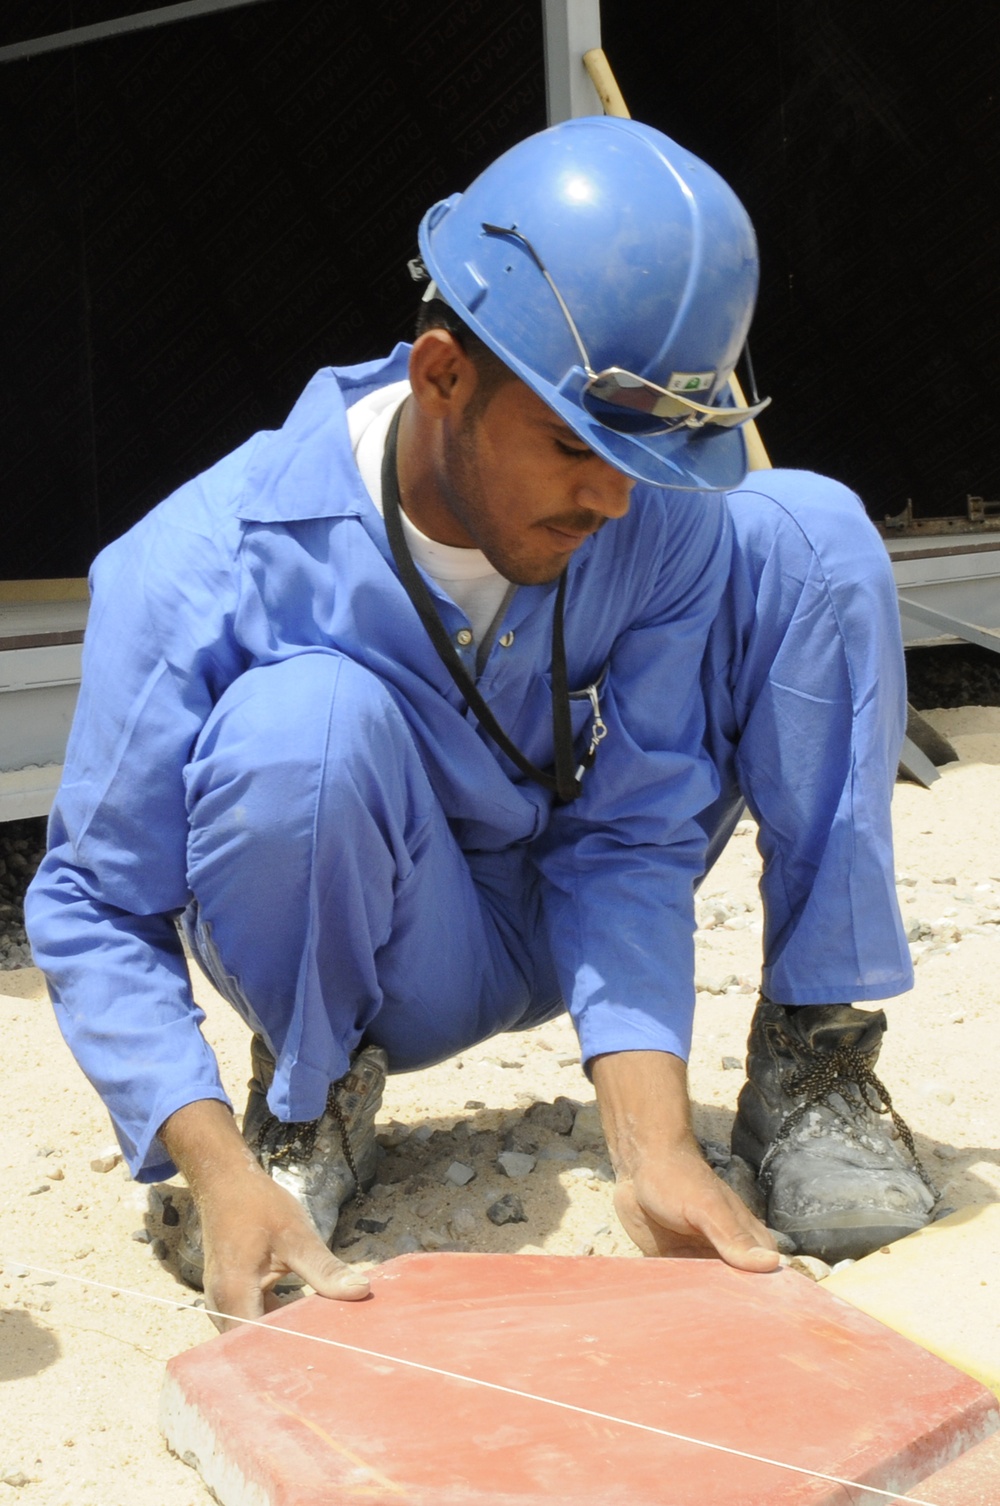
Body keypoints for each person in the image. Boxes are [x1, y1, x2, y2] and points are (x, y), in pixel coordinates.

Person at [25, 117, 934, 1330]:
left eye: (645, 456)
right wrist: (213, 1169)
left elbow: (637, 827)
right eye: (572, 445)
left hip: (574, 929)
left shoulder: (642, 506)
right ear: (442, 375)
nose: (613, 498)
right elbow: (95, 903)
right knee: (305, 724)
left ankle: (813, 1060)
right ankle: (304, 1105)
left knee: (806, 530)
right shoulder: (198, 562)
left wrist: (652, 1147)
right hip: (397, 960)